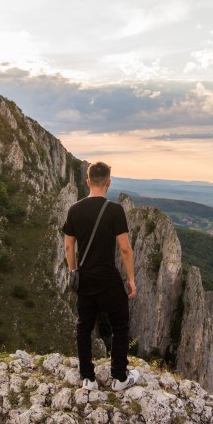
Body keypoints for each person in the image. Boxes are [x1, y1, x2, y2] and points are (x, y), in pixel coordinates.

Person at [62, 161, 139, 392]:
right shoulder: (115, 211)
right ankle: (119, 377)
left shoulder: (74, 209)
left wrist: (74, 271)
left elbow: (68, 246)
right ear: (108, 183)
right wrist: (131, 278)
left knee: (84, 327)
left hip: (85, 277)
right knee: (120, 325)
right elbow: (125, 249)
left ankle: (88, 378)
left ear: (87, 182)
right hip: (108, 278)